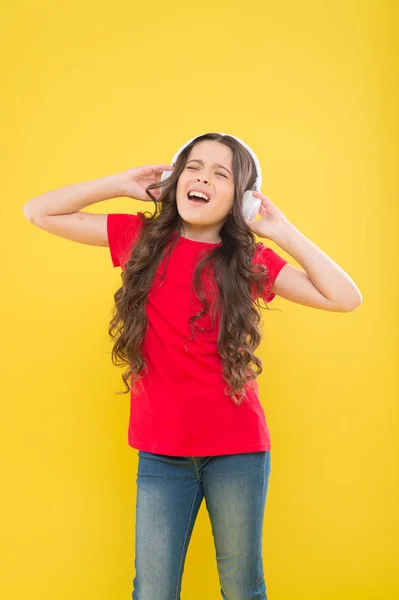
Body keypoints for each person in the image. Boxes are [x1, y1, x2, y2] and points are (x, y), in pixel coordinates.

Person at [23, 132, 362, 599]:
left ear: (240, 201)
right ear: (176, 179)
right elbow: (38, 211)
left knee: (243, 589)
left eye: (220, 174)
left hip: (237, 451)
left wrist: (280, 231)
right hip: (162, 453)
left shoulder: (250, 261)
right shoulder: (140, 238)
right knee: (153, 591)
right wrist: (121, 183)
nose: (202, 177)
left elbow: (345, 298)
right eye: (194, 167)